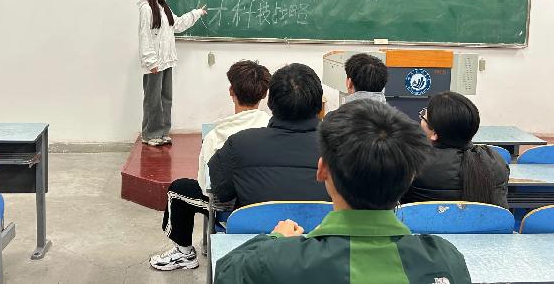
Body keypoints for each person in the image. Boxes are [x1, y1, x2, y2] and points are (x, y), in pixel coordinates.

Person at [215, 99, 472, 284]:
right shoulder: (445, 259)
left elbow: (226, 272)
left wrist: (275, 239)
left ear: (322, 169)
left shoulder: (277, 260)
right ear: (411, 176)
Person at [149, 60, 271, 271]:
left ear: (231, 91)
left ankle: (184, 253)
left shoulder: (216, 135)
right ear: (264, 94)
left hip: (231, 211)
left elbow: (207, 187)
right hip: (269, 206)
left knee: (177, 189)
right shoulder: (272, 126)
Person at [208, 63, 329, 209]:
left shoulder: (239, 144)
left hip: (256, 224)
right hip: (323, 224)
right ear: (319, 104)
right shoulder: (341, 148)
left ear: (270, 102)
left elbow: (219, 192)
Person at [401, 91, 509, 207]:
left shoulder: (413, 165)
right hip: (483, 219)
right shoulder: (496, 161)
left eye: (423, 117)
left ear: (434, 134)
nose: (421, 120)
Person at [138, 0, 206, 146]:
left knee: (166, 98)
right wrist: (150, 61)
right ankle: (150, 134)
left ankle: (162, 132)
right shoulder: (146, 8)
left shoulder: (163, 7)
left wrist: (196, 13)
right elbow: (145, 37)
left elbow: (178, 24)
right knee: (153, 100)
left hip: (167, 60)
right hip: (154, 63)